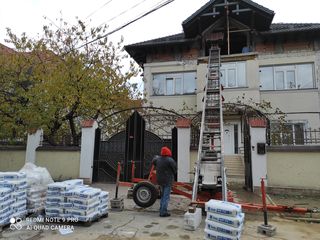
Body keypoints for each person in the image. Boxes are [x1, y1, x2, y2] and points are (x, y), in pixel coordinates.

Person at [152, 146, 177, 217]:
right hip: (168, 180)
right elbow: (175, 169)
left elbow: (153, 161)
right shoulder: (170, 160)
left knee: (163, 195)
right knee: (166, 196)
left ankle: (161, 209)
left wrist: (156, 157)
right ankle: (163, 212)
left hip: (160, 180)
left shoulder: (158, 159)